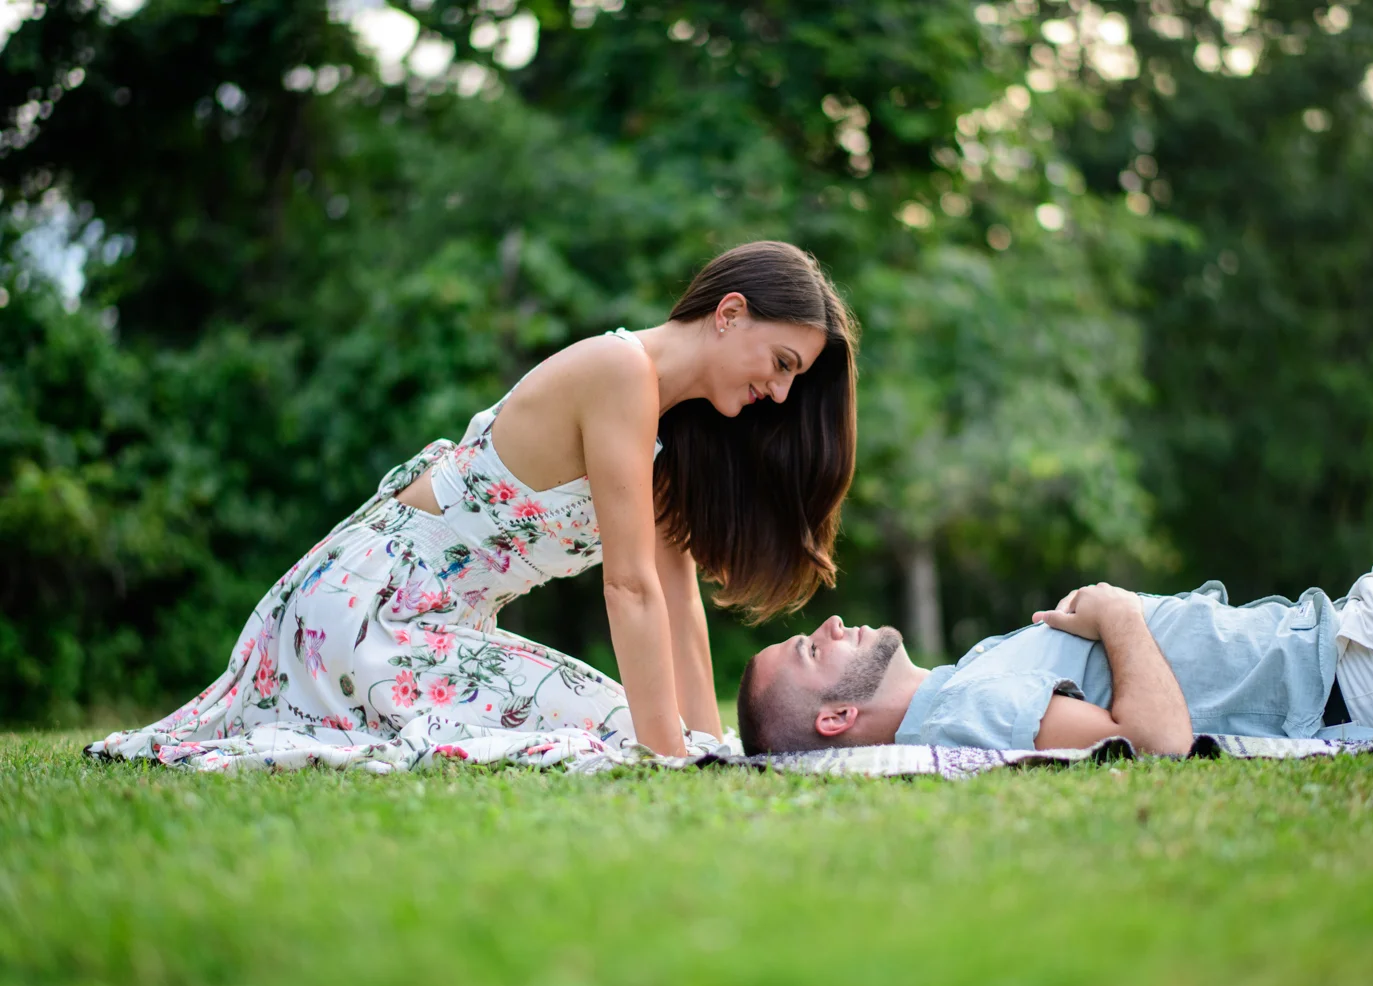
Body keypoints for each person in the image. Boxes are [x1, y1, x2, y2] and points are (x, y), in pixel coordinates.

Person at [90, 241, 858, 766]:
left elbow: (677, 599)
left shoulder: (669, 426)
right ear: (728, 313)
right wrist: (668, 760)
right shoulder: (619, 373)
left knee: (605, 716)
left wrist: (706, 741)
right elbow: (629, 588)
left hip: (433, 624)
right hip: (365, 612)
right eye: (781, 363)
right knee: (612, 727)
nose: (780, 393)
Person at [737, 438, 1373, 756]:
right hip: (1362, 681)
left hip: (1346, 633)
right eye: (812, 647)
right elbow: (1156, 745)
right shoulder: (961, 713)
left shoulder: (957, 684)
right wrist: (1119, 614)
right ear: (835, 718)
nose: (830, 622)